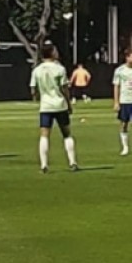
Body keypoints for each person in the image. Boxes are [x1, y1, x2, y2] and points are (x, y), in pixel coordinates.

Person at [30, 44, 78, 173]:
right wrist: (68, 103)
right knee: (66, 134)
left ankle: (44, 165)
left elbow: (33, 89)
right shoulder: (60, 69)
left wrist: (39, 97)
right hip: (60, 104)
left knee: (44, 135)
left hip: (45, 106)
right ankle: (72, 162)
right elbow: (64, 88)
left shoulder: (37, 70)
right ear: (52, 53)